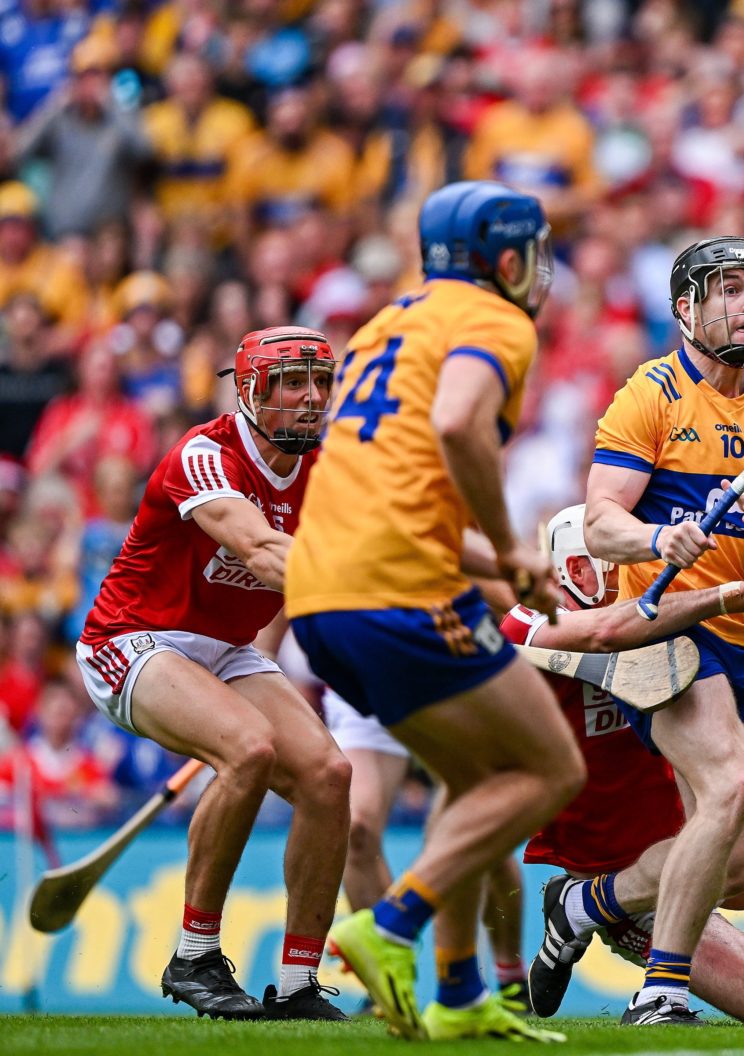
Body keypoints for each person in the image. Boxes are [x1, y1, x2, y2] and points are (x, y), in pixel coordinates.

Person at [286, 180, 577, 1043]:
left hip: (323, 595)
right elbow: (457, 427)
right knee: (549, 772)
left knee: (479, 777)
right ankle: (391, 924)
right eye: (537, 252)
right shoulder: (496, 322)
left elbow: (396, 494)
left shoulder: (386, 324)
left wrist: (505, 565)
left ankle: (458, 993)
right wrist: (511, 546)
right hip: (402, 590)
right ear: (511, 259)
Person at [573, 235, 744, 1026]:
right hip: (662, 625)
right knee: (732, 785)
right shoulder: (649, 394)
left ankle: (586, 907)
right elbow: (598, 520)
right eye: (728, 290)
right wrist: (655, 540)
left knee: (742, 862)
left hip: (740, 628)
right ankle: (660, 991)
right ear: (686, 309)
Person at [504, 503, 744, 1023]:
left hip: (694, 826)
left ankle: (586, 905)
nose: (635, 572)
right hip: (614, 855)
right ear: (578, 568)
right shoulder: (527, 622)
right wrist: (724, 596)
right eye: (618, 561)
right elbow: (603, 633)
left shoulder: (667, 609)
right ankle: (615, 908)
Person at [73, 326, 348, 1020]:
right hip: (133, 638)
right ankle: (194, 957)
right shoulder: (205, 455)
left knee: (327, 775)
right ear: (252, 392)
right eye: (292, 382)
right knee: (248, 747)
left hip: (227, 648)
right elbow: (260, 549)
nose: (311, 398)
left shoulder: (330, 472)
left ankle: (296, 984)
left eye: (319, 382)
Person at [318, 687, 533, 1012]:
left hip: (440, 681)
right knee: (357, 829)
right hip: (366, 690)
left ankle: (510, 974)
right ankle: (386, 978)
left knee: (480, 830)